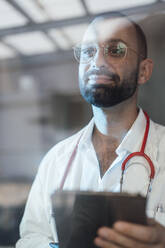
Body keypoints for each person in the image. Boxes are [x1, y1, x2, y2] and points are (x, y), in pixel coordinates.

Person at [16, 13, 165, 248]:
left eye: (115, 50)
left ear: (144, 71)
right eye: (88, 51)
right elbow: (29, 238)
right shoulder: (55, 160)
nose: (97, 62)